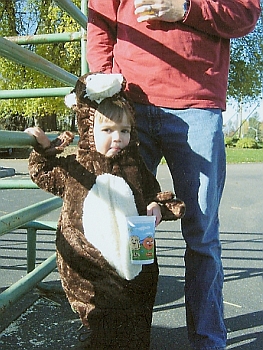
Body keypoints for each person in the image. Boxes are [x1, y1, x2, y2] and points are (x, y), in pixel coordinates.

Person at [86, 1, 261, 349]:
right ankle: (130, 336)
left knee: (201, 232)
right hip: (130, 104)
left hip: (197, 105)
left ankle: (207, 341)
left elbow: (245, 13)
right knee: (133, 228)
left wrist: (186, 8)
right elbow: (101, 22)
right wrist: (106, 92)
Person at [25, 73, 185, 349]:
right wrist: (42, 150)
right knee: (103, 324)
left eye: (124, 131)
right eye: (108, 130)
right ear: (90, 130)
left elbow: (151, 191)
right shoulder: (78, 169)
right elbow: (43, 173)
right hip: (92, 271)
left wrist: (155, 205)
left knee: (136, 317)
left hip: (135, 257)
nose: (118, 138)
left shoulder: (136, 166)